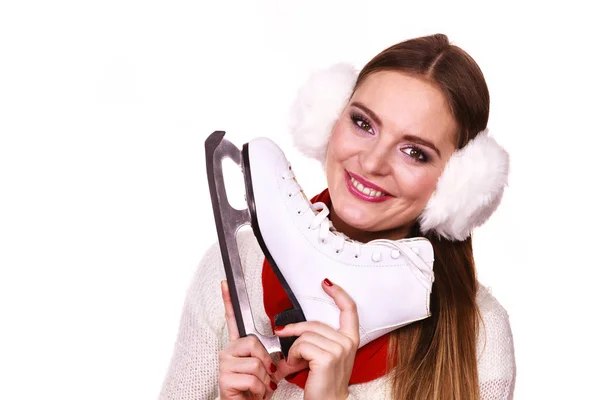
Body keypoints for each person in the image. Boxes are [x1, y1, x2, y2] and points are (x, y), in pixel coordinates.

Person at [159, 33, 516, 400]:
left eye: (414, 152)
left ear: (457, 188)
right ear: (329, 121)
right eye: (363, 124)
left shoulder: (480, 336)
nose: (373, 163)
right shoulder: (237, 264)